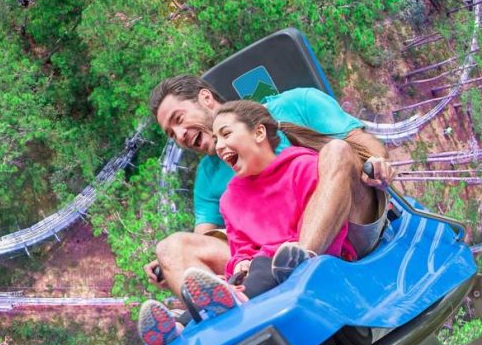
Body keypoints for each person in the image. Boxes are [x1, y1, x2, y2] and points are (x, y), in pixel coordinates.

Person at [139, 100, 372, 345]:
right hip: (259, 275)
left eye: (226, 134)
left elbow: (324, 220)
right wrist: (241, 263)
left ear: (258, 132)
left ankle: (221, 306)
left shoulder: (301, 167)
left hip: (301, 263)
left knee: (263, 267)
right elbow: (240, 247)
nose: (219, 146)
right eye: (216, 139)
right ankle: (181, 326)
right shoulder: (231, 199)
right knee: (245, 275)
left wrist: (279, 256)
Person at [144, 75, 392, 298]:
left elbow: (366, 148)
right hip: (270, 256)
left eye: (179, 120)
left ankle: (301, 261)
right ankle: (206, 311)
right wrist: (175, 267)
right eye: (171, 134)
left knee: (337, 151)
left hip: (345, 230)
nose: (179, 135)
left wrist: (376, 164)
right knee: (171, 248)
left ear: (205, 98)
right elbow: (209, 241)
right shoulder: (211, 181)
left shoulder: (296, 106)